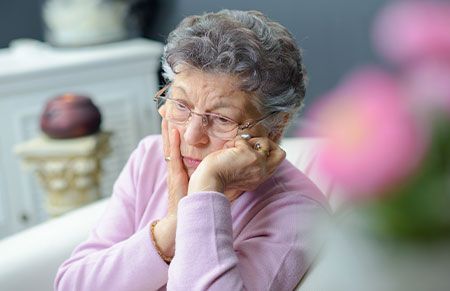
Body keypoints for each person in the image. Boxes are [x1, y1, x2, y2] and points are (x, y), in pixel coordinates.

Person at [55, 9, 329, 291]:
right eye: (182, 105)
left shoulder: (298, 214)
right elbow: (72, 284)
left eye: (223, 119)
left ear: (275, 127)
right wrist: (170, 231)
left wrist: (206, 189)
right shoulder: (149, 157)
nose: (191, 134)